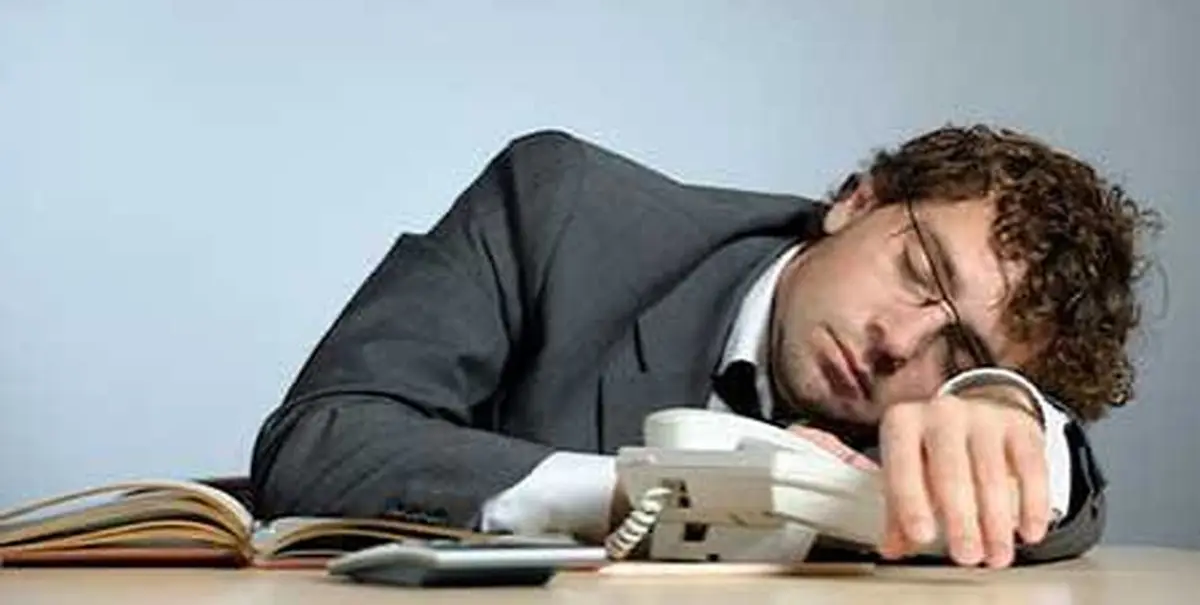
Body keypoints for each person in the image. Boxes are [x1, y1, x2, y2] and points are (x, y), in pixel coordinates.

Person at [250, 125, 1157, 569]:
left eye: (957, 354)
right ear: (858, 199)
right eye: (918, 270)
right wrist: (651, 495)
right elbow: (321, 438)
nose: (900, 344)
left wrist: (1004, 406)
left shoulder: (929, 420)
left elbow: (1059, 521)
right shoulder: (559, 208)